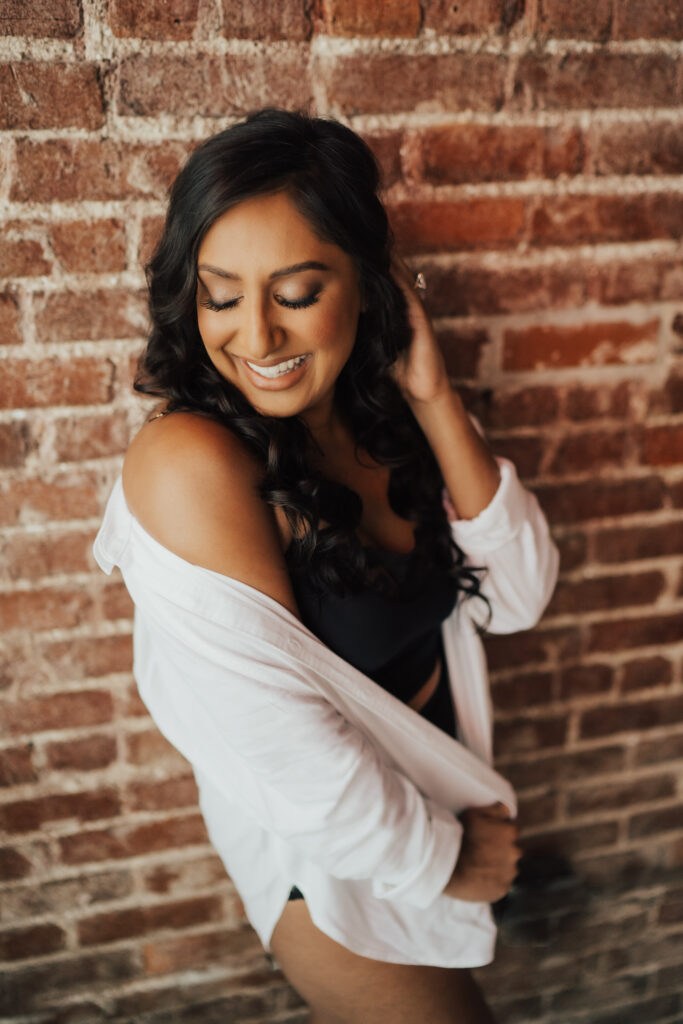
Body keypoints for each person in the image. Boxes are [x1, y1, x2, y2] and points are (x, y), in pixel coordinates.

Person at [93, 108, 559, 1023]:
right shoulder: (188, 463)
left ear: (368, 282)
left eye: (296, 292)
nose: (257, 339)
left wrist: (431, 396)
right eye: (221, 296)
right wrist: (440, 859)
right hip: (334, 862)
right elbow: (277, 741)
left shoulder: (379, 413)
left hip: (438, 802)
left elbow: (518, 597)